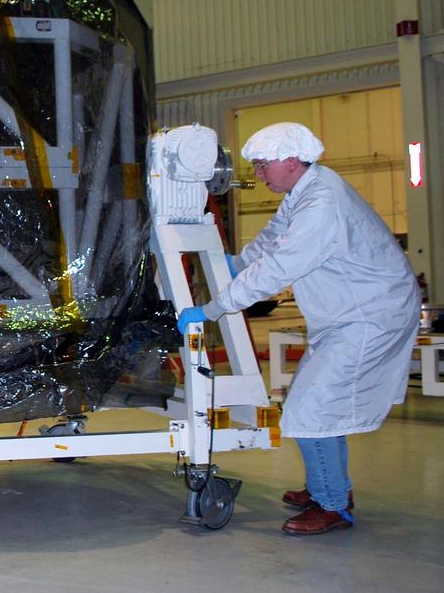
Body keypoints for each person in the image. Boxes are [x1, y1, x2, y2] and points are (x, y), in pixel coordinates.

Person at [176, 122, 420, 535]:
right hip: (346, 313)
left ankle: (332, 506)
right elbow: (273, 240)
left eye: (264, 165)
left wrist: (215, 308)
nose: (258, 173)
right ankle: (331, 486)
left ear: (292, 160)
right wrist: (234, 264)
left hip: (370, 317)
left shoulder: (322, 204)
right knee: (322, 404)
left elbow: (278, 268)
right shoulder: (307, 190)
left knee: (311, 407)